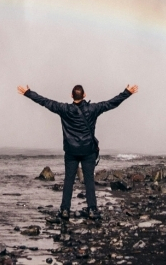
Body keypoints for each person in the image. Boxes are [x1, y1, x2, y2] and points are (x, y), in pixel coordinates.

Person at [18, 83, 138, 222]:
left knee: (68, 180)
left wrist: (28, 93)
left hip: (71, 151)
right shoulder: (93, 109)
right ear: (84, 95)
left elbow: (45, 101)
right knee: (89, 181)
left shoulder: (64, 109)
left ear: (71, 96)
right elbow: (111, 103)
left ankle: (64, 210)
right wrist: (127, 92)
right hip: (88, 151)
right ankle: (92, 210)